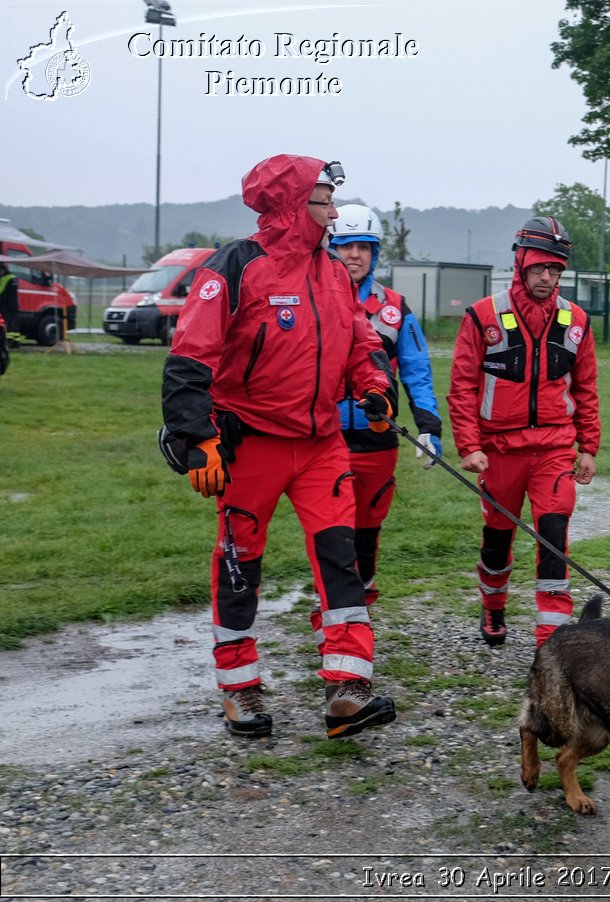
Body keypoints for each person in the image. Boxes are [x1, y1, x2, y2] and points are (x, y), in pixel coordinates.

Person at [160, 154, 399, 740]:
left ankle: (347, 687)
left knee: (341, 560)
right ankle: (239, 688)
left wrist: (374, 387)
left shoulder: (332, 272)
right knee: (240, 567)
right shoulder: (234, 268)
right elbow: (190, 357)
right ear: (292, 204)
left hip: (322, 445)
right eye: (323, 201)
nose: (334, 212)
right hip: (251, 445)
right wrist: (198, 440)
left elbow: (358, 342)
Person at [447, 217, 600, 647]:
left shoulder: (577, 322)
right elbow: (462, 386)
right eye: (539, 268)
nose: (547, 277)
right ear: (521, 264)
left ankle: (552, 635)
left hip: (553, 449)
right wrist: (469, 445)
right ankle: (493, 608)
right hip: (497, 453)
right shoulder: (482, 317)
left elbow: (586, 388)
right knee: (497, 540)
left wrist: (588, 447)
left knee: (553, 534)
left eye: (554, 269)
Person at [328, 203, 443, 606]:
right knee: (332, 527)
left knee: (367, 527)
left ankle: (362, 602)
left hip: (378, 439)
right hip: (324, 439)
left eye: (363, 246)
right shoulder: (311, 301)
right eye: (345, 246)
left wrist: (429, 426)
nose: (354, 255)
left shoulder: (396, 309)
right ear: (330, 248)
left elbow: (416, 371)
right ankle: (332, 606)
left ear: (375, 253)